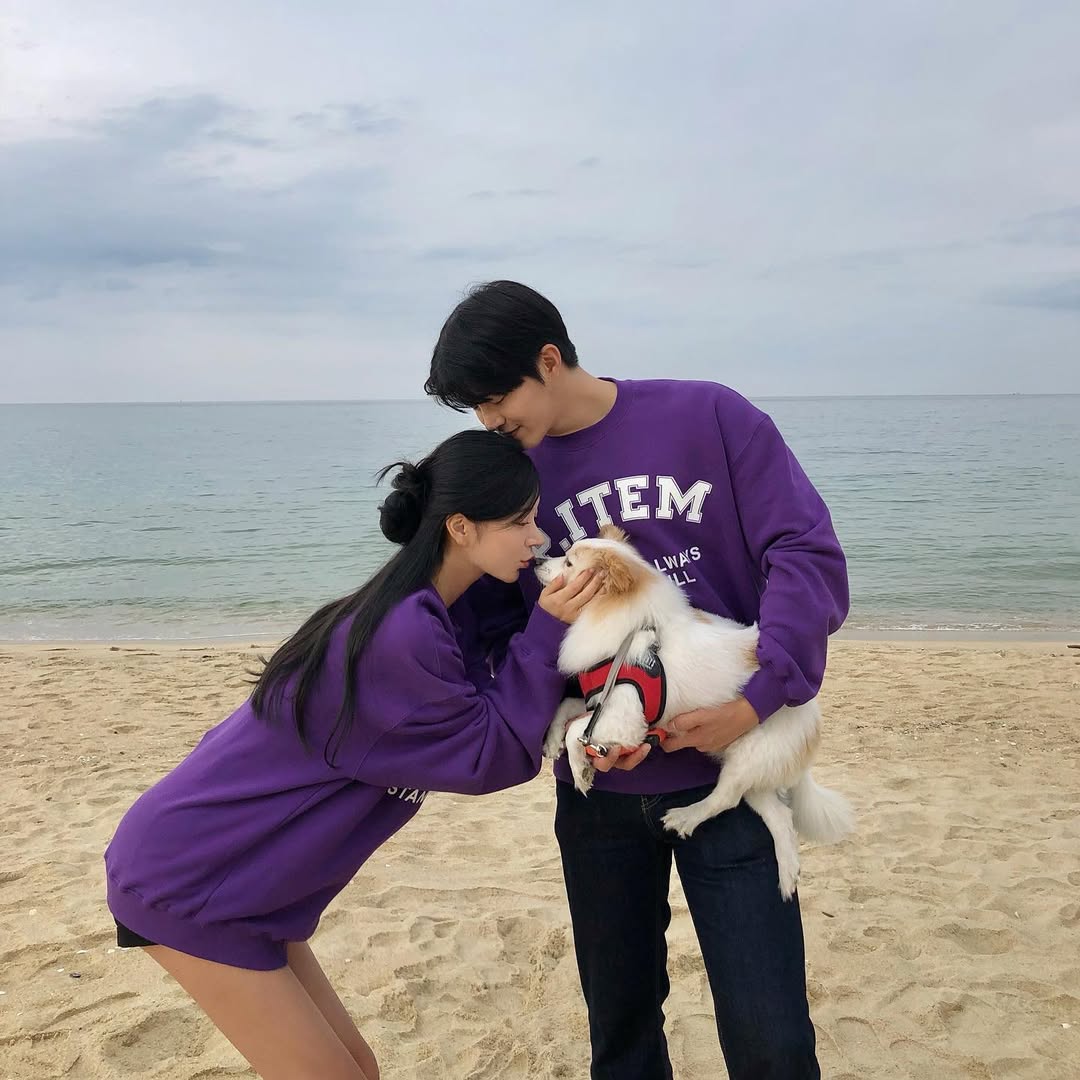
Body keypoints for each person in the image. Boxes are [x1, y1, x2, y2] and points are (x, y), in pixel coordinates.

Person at [426, 282, 850, 1079]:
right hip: (600, 796)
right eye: (474, 409)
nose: (489, 421)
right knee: (621, 1038)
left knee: (773, 1041)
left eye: (496, 397)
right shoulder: (505, 479)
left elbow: (803, 552)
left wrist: (757, 701)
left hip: (729, 772)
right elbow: (486, 629)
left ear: (548, 359)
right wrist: (570, 724)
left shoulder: (709, 417)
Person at [103, 428, 603, 1080]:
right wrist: (548, 629)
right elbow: (489, 755)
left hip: (251, 880)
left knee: (358, 1067)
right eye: (520, 522)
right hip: (193, 877)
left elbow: (493, 688)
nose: (537, 539)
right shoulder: (401, 633)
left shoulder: (433, 610)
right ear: (460, 527)